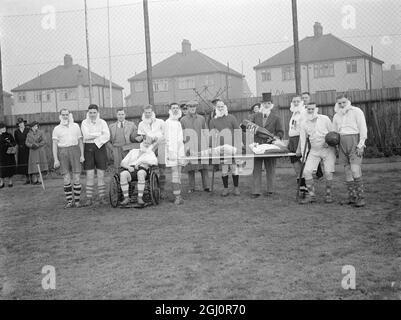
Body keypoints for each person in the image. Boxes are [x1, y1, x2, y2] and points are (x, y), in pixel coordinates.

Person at [333, 93, 367, 207]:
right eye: (339, 103)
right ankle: (352, 197)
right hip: (342, 143)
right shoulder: (336, 116)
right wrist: (336, 145)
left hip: (354, 141)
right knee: (347, 171)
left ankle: (361, 198)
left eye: (344, 102)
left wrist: (361, 145)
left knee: (355, 169)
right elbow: (335, 133)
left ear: (348, 101)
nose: (342, 105)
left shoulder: (357, 111)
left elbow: (363, 128)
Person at [299, 102, 336, 204]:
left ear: (316, 109)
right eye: (308, 109)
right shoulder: (303, 123)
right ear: (306, 110)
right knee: (307, 171)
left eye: (312, 109)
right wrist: (303, 155)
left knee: (328, 172)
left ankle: (329, 195)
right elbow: (303, 141)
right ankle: (311, 196)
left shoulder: (325, 119)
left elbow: (333, 133)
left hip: (327, 149)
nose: (310, 111)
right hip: (314, 151)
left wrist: (329, 143)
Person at [249, 93, 284, 198]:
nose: (266, 105)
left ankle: (271, 190)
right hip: (257, 146)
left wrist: (275, 138)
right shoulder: (255, 116)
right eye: (264, 103)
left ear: (271, 104)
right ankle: (256, 191)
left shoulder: (276, 117)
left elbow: (280, 132)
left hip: (269, 146)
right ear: (261, 104)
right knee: (256, 169)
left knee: (271, 168)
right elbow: (249, 129)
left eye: (268, 103)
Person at [52, 109, 85, 208]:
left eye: (67, 114)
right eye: (63, 115)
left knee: (76, 177)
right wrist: (56, 159)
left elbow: (80, 141)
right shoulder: (57, 128)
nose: (65, 116)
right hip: (63, 152)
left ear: (69, 115)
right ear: (60, 116)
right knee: (66, 178)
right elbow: (54, 145)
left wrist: (82, 155)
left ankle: (77, 202)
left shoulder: (75, 126)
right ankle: (70, 201)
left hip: (75, 151)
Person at [209, 100, 241, 196]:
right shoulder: (213, 121)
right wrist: (212, 146)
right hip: (221, 149)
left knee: (234, 168)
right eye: (218, 107)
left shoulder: (231, 118)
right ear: (216, 108)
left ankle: (236, 188)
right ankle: (225, 189)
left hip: (232, 147)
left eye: (222, 106)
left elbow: (237, 131)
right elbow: (211, 135)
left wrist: (239, 144)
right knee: (224, 169)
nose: (220, 108)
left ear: (225, 107)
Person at [81, 104, 110, 206]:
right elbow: (86, 135)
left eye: (94, 112)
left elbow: (107, 136)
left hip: (100, 148)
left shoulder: (102, 122)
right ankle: (89, 199)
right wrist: (99, 134)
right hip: (88, 149)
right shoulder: (84, 122)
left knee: (101, 175)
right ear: (88, 113)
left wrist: (96, 139)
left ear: (97, 113)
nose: (92, 114)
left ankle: (102, 198)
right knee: (90, 175)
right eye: (90, 113)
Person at [180, 99, 210, 193]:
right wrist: (185, 146)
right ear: (187, 108)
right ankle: (191, 187)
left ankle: (207, 186)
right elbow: (181, 135)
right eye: (190, 107)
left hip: (201, 146)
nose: (192, 108)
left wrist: (207, 144)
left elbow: (206, 132)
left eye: (194, 107)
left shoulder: (201, 118)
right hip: (189, 146)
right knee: (190, 169)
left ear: (196, 108)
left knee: (204, 167)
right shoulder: (183, 120)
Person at [137, 105, 166, 197]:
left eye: (149, 112)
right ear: (143, 113)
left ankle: (162, 191)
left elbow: (165, 134)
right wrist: (145, 139)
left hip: (160, 146)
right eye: (146, 112)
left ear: (152, 112)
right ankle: (152, 190)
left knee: (162, 169)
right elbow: (142, 138)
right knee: (150, 168)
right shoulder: (141, 124)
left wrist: (158, 139)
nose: (148, 114)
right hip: (149, 148)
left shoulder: (160, 122)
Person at [119, 139, 158, 207]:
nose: (146, 144)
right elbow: (122, 163)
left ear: (150, 146)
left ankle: (139, 198)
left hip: (143, 169)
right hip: (131, 169)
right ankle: (126, 198)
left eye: (148, 144)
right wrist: (128, 167)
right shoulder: (133, 151)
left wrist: (142, 162)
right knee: (123, 174)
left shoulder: (150, 153)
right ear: (142, 143)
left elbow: (155, 162)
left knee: (140, 173)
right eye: (145, 142)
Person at [164, 102, 186, 205]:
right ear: (170, 110)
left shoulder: (178, 122)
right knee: (175, 174)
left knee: (179, 174)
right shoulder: (167, 123)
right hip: (172, 152)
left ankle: (179, 195)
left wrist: (181, 152)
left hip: (180, 151)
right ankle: (177, 197)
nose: (175, 110)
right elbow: (167, 139)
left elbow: (180, 140)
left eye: (177, 108)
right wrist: (171, 152)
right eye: (173, 108)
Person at [288, 95, 308, 197]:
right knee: (296, 168)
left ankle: (307, 190)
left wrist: (299, 147)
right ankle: (301, 189)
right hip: (292, 141)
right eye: (294, 101)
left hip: (299, 141)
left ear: (301, 102)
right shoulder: (294, 113)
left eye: (297, 101)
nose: (295, 103)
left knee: (303, 167)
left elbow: (302, 131)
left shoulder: (303, 113)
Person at [302, 92, 324, 180]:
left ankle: (319, 173)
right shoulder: (301, 109)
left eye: (306, 97)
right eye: (303, 98)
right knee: (308, 154)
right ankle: (309, 172)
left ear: (309, 98)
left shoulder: (314, 109)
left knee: (315, 153)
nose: (304, 99)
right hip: (304, 132)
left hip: (314, 135)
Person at [14, 118, 30, 184]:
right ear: (18, 124)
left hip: (28, 148)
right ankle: (27, 179)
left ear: (24, 123)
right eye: (19, 123)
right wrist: (20, 145)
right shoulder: (16, 131)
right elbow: (16, 141)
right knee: (23, 163)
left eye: (22, 123)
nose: (21, 124)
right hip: (21, 149)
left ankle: (32, 177)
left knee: (29, 161)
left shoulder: (28, 130)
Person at [0, 122, 17, 188]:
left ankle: (10, 181)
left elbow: (14, 142)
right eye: (2, 128)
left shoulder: (9, 135)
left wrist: (10, 144)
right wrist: (5, 145)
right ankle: (2, 182)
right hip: (1, 155)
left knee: (10, 168)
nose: (4, 129)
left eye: (4, 128)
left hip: (9, 154)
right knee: (2, 169)